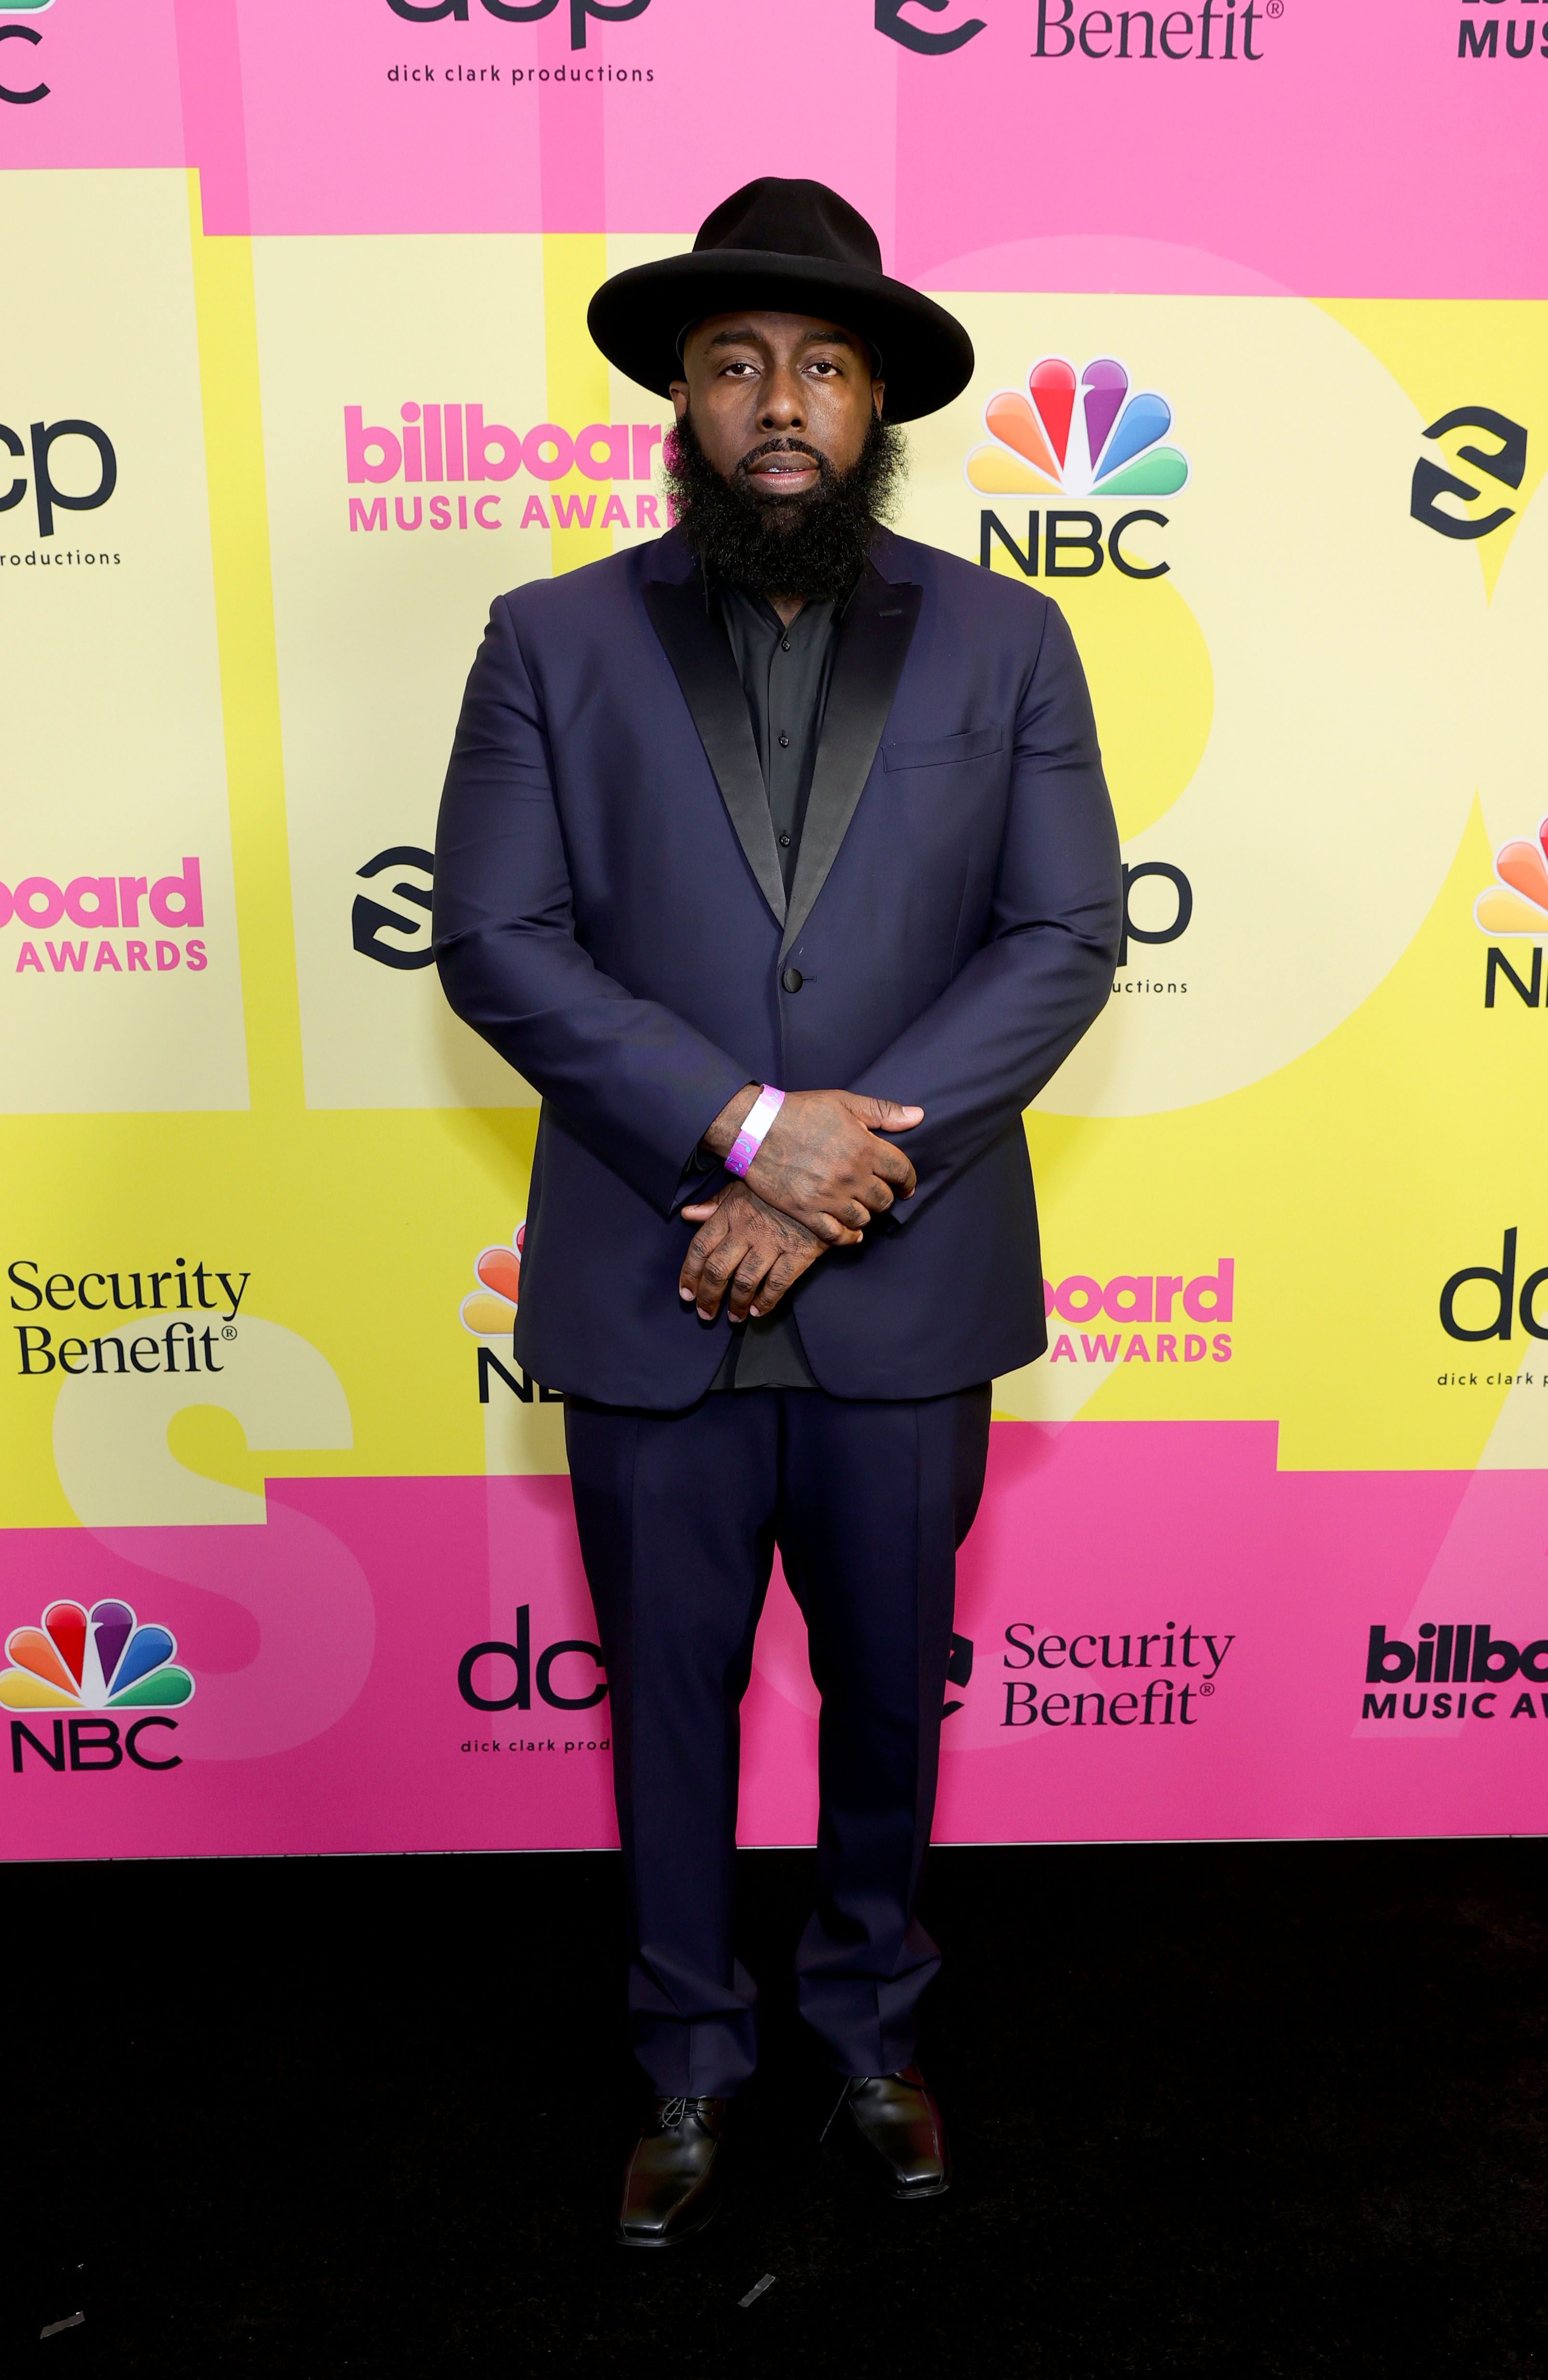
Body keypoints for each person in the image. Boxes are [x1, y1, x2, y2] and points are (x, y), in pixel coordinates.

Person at [433, 177, 1121, 2247]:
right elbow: (497, 939)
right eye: (735, 364)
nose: (780, 401)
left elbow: (1061, 935)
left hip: (903, 1286)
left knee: (891, 1691)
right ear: (682, 396)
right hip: (653, 1273)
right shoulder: (551, 637)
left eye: (821, 364)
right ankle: (686, 2055)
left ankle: (869, 2029)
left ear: (876, 398)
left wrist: (821, 1187)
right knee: (663, 1697)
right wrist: (741, 1129)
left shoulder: (1009, 638)